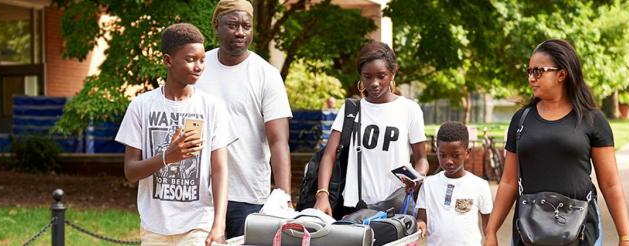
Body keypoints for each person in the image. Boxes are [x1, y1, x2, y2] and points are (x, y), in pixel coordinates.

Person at [483, 39, 629, 246]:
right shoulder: (521, 119)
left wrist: (625, 236)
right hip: (528, 232)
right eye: (529, 71)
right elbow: (508, 181)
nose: (531, 78)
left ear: (562, 74)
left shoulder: (592, 119)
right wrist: (491, 230)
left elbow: (610, 183)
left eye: (538, 71)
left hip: (580, 231)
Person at [115, 23, 237, 246]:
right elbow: (130, 172)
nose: (198, 66)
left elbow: (220, 171)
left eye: (202, 60)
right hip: (154, 227)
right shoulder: (141, 106)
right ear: (168, 60)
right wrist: (166, 157)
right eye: (191, 59)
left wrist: (219, 224)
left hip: (197, 224)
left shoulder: (212, 107)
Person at [196, 0, 293, 238]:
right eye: (232, 25)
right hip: (199, 194)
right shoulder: (198, 68)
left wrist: (284, 197)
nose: (240, 32)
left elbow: (279, 142)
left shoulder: (266, 75)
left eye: (246, 26)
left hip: (247, 196)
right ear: (216, 26)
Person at [313, 41, 429, 217]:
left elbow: (422, 159)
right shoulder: (351, 110)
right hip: (355, 206)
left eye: (381, 76)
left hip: (395, 207)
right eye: (367, 76)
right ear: (360, 76)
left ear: (392, 74)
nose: (374, 83)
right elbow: (329, 155)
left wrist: (416, 177)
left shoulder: (409, 109)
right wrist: (322, 194)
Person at [416, 121, 493, 245]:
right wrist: (420, 224)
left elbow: (489, 226)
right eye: (443, 155)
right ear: (437, 152)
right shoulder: (429, 184)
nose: (449, 161)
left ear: (467, 152)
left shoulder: (480, 185)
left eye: (455, 155)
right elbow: (421, 218)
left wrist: (490, 239)